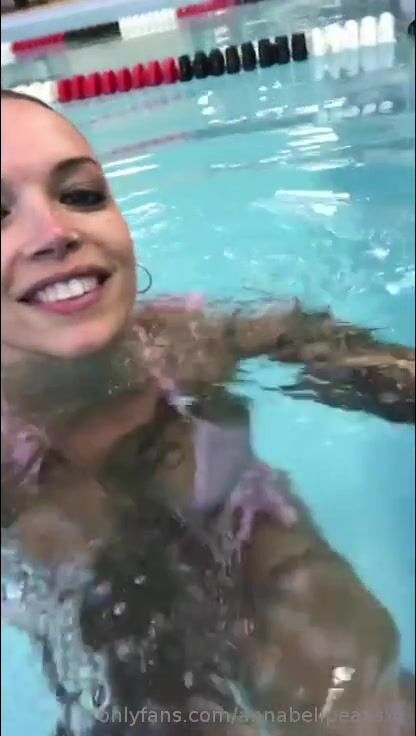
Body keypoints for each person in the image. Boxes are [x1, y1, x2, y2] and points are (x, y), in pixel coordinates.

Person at [1, 89, 414, 736]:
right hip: (109, 622)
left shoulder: (178, 345)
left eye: (81, 194)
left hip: (254, 541)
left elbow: (306, 338)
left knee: (355, 688)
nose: (56, 233)